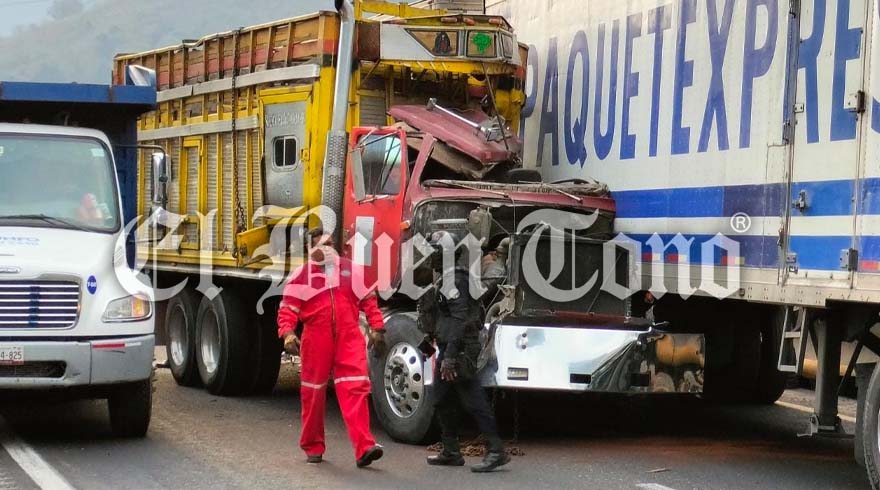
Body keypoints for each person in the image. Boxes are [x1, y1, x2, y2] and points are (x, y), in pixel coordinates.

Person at [277, 228, 387, 468]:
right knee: (313, 394)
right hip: (316, 339)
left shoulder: (349, 270)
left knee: (355, 388)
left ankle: (364, 447)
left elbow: (368, 299)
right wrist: (287, 333)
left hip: (349, 337)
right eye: (321, 245)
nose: (327, 249)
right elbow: (288, 308)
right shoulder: (301, 276)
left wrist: (376, 327)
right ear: (310, 250)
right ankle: (313, 446)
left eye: (329, 244)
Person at [419, 231, 510, 473]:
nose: (429, 258)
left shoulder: (455, 280)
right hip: (450, 346)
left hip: (459, 350)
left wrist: (449, 357)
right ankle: (451, 451)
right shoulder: (446, 278)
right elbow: (446, 318)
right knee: (441, 398)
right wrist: (433, 342)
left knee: (473, 399)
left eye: (433, 253)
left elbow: (460, 319)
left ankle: (496, 450)